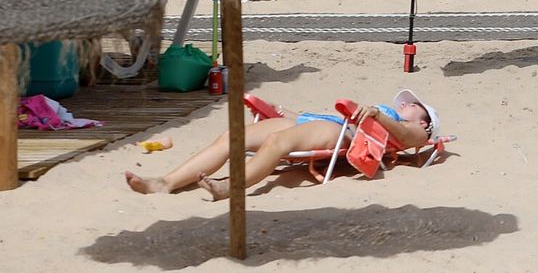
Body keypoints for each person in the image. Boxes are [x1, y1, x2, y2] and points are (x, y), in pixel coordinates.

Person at [125, 90, 440, 199]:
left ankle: (231, 187)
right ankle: (164, 183)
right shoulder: (393, 114)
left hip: (342, 133)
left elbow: (405, 138)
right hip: (318, 122)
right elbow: (312, 115)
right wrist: (280, 111)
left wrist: (374, 113)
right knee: (232, 137)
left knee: (277, 142)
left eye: (413, 104)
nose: (406, 104)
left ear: (424, 120)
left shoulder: (419, 131)